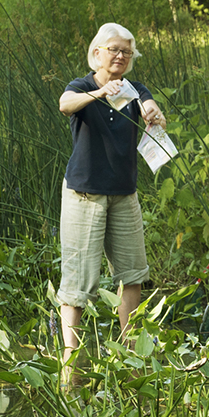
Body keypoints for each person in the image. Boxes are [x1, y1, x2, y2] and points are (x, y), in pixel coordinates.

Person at [56, 23, 166, 364]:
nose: (120, 56)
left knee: (132, 275)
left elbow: (151, 106)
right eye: (114, 50)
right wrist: (100, 94)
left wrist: (154, 113)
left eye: (126, 52)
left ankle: (129, 353)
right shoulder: (82, 86)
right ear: (98, 53)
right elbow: (65, 104)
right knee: (78, 283)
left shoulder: (136, 88)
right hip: (84, 193)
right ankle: (70, 359)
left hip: (124, 193)